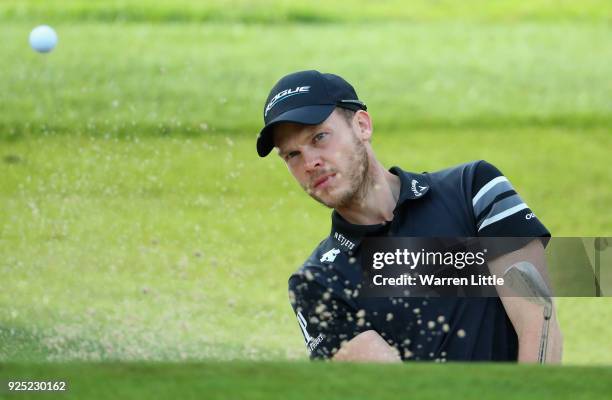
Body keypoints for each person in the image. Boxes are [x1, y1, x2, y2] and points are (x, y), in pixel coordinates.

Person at [256, 70, 562, 363]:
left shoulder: (474, 189)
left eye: (319, 137)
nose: (309, 163)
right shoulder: (317, 284)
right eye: (292, 155)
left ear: (362, 126)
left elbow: (538, 323)